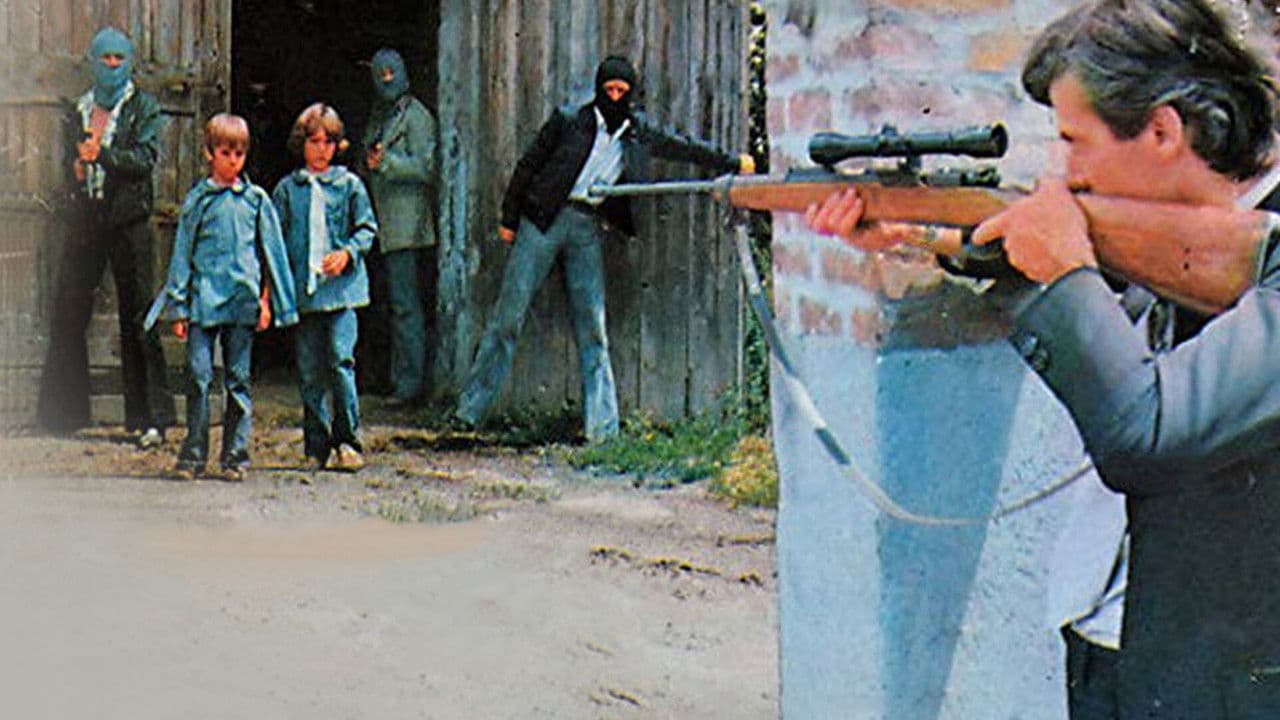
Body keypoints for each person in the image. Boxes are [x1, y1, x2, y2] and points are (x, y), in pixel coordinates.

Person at [807, 1, 1280, 717]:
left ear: (1161, 131)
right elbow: (1097, 282)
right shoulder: (1175, 242)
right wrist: (922, 233)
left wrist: (1065, 266)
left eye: (1074, 142)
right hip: (1112, 637)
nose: (1064, 172)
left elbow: (1148, 434)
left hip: (1220, 681)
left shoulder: (1259, 255)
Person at [454, 55, 755, 441]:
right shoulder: (568, 121)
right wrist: (509, 219)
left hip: (585, 225)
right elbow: (527, 166)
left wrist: (731, 162)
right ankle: (469, 412)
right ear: (599, 89)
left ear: (631, 94)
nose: (614, 98)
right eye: (608, 90)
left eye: (621, 91)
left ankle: (603, 432)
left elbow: (684, 148)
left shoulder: (636, 132)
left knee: (593, 326)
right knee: (507, 317)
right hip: (543, 220)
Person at [37, 27, 176, 447]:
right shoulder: (79, 109)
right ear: (93, 61)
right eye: (105, 58)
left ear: (129, 61)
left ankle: (151, 418)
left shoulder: (142, 107)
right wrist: (78, 170)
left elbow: (144, 159)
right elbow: (70, 165)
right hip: (88, 218)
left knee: (139, 315)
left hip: (128, 219)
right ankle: (63, 415)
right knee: (68, 310)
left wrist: (105, 155)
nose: (112, 65)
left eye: (119, 58)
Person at [144, 114, 298, 482]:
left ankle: (235, 457)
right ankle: (193, 456)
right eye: (226, 153)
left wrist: (267, 301)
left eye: (239, 154)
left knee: (238, 381)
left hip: (242, 304)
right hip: (204, 303)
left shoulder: (255, 201)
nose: (233, 161)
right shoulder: (199, 200)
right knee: (198, 376)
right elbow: (182, 254)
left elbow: (270, 254)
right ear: (209, 153)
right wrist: (179, 307)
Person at [273, 103, 378, 471]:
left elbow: (367, 228)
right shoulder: (288, 191)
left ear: (338, 145)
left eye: (328, 142)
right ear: (301, 144)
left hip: (342, 292)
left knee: (340, 359)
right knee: (309, 369)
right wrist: (274, 289)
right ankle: (316, 445)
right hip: (306, 294)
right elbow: (275, 241)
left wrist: (348, 253)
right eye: (313, 142)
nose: (321, 150)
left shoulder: (349, 186)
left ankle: (348, 440)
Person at [361, 48, 439, 406]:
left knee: (406, 308)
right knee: (384, 305)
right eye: (380, 75)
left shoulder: (417, 117)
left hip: (407, 228)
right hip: (380, 224)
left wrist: (387, 164)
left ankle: (410, 385)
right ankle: (384, 378)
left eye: (392, 73)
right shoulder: (380, 115)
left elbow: (426, 167)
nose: (386, 81)